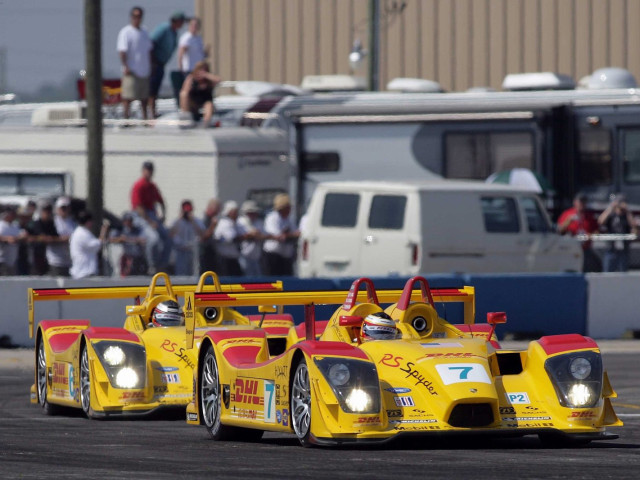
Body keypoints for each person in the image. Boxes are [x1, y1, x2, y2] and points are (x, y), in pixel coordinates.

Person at [130, 161, 171, 273]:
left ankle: (162, 265)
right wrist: (150, 222)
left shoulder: (152, 186)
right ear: (143, 171)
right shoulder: (139, 185)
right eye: (147, 170)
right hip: (140, 216)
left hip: (152, 214)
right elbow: (138, 207)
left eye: (151, 170)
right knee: (153, 239)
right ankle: (151, 266)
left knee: (168, 238)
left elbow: (161, 202)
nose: (149, 172)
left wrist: (163, 216)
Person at [117, 6, 153, 120]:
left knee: (144, 98)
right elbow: (122, 51)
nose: (137, 18)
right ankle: (126, 119)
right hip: (131, 70)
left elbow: (149, 50)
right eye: (134, 16)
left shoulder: (144, 31)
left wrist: (151, 66)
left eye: (139, 16)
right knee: (128, 97)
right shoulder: (125, 32)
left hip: (144, 70)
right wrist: (125, 66)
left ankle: (145, 119)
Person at [149, 11, 186, 119]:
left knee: (156, 88)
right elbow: (152, 41)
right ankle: (151, 113)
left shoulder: (174, 33)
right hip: (155, 63)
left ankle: (154, 111)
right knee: (152, 89)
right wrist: (153, 61)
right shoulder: (164, 28)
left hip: (161, 64)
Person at [558, 194, 601, 272]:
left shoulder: (589, 216)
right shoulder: (567, 214)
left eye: (584, 202)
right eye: (580, 202)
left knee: (587, 269)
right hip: (570, 249)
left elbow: (597, 231)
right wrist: (568, 221)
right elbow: (559, 231)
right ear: (575, 202)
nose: (582, 204)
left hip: (585, 249)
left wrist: (590, 236)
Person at [598, 194, 637, 272]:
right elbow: (600, 221)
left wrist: (627, 210)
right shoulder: (611, 215)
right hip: (611, 248)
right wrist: (611, 207)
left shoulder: (627, 215)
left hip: (623, 249)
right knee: (608, 272)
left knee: (623, 272)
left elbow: (633, 225)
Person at [263, 194, 299, 276]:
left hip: (285, 256)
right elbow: (278, 236)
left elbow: (295, 233)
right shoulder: (272, 217)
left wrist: (290, 234)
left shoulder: (289, 219)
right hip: (273, 255)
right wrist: (289, 234)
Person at [69, 211, 110, 279]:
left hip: (83, 272)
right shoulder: (82, 233)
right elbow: (97, 245)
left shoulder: (81, 232)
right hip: (83, 273)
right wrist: (104, 231)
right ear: (88, 221)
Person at [179, 60, 220, 126]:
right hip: (194, 102)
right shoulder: (191, 78)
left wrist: (206, 75)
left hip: (205, 101)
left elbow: (218, 80)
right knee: (183, 95)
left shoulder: (208, 81)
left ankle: (206, 123)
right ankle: (185, 117)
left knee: (208, 105)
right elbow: (184, 91)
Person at [170, 200, 204, 276]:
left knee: (193, 272)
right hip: (180, 250)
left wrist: (192, 221)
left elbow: (202, 235)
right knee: (180, 273)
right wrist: (180, 218)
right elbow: (170, 234)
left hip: (192, 250)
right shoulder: (177, 221)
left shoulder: (196, 221)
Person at [108, 212, 147, 276]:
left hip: (138, 258)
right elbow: (111, 239)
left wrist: (128, 239)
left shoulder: (138, 229)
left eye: (130, 221)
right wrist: (120, 239)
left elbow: (143, 240)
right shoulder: (121, 229)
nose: (128, 223)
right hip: (127, 258)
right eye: (126, 221)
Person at [214, 201, 245, 276]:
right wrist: (247, 236)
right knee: (228, 282)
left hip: (234, 258)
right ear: (229, 212)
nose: (236, 214)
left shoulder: (235, 223)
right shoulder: (225, 223)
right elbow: (232, 238)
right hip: (225, 259)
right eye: (235, 212)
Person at [49, 196, 75, 276]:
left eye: (66, 208)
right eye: (62, 208)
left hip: (69, 260)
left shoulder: (73, 222)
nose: (64, 210)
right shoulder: (53, 222)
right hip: (56, 260)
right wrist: (63, 239)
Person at [237, 200, 264, 276]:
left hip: (256, 256)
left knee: (257, 277)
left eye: (254, 212)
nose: (253, 215)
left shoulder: (259, 222)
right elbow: (240, 236)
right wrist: (251, 235)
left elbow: (262, 235)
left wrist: (255, 235)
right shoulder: (240, 222)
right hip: (244, 255)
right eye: (250, 212)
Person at [0, 207, 26, 275]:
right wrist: (7, 239)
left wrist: (16, 239)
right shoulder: (1, 224)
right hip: (2, 257)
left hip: (13, 258)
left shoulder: (15, 225)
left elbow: (22, 235)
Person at [199, 198, 220, 273]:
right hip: (204, 251)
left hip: (212, 250)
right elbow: (203, 236)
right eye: (217, 209)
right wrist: (212, 226)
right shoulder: (205, 219)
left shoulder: (213, 218)